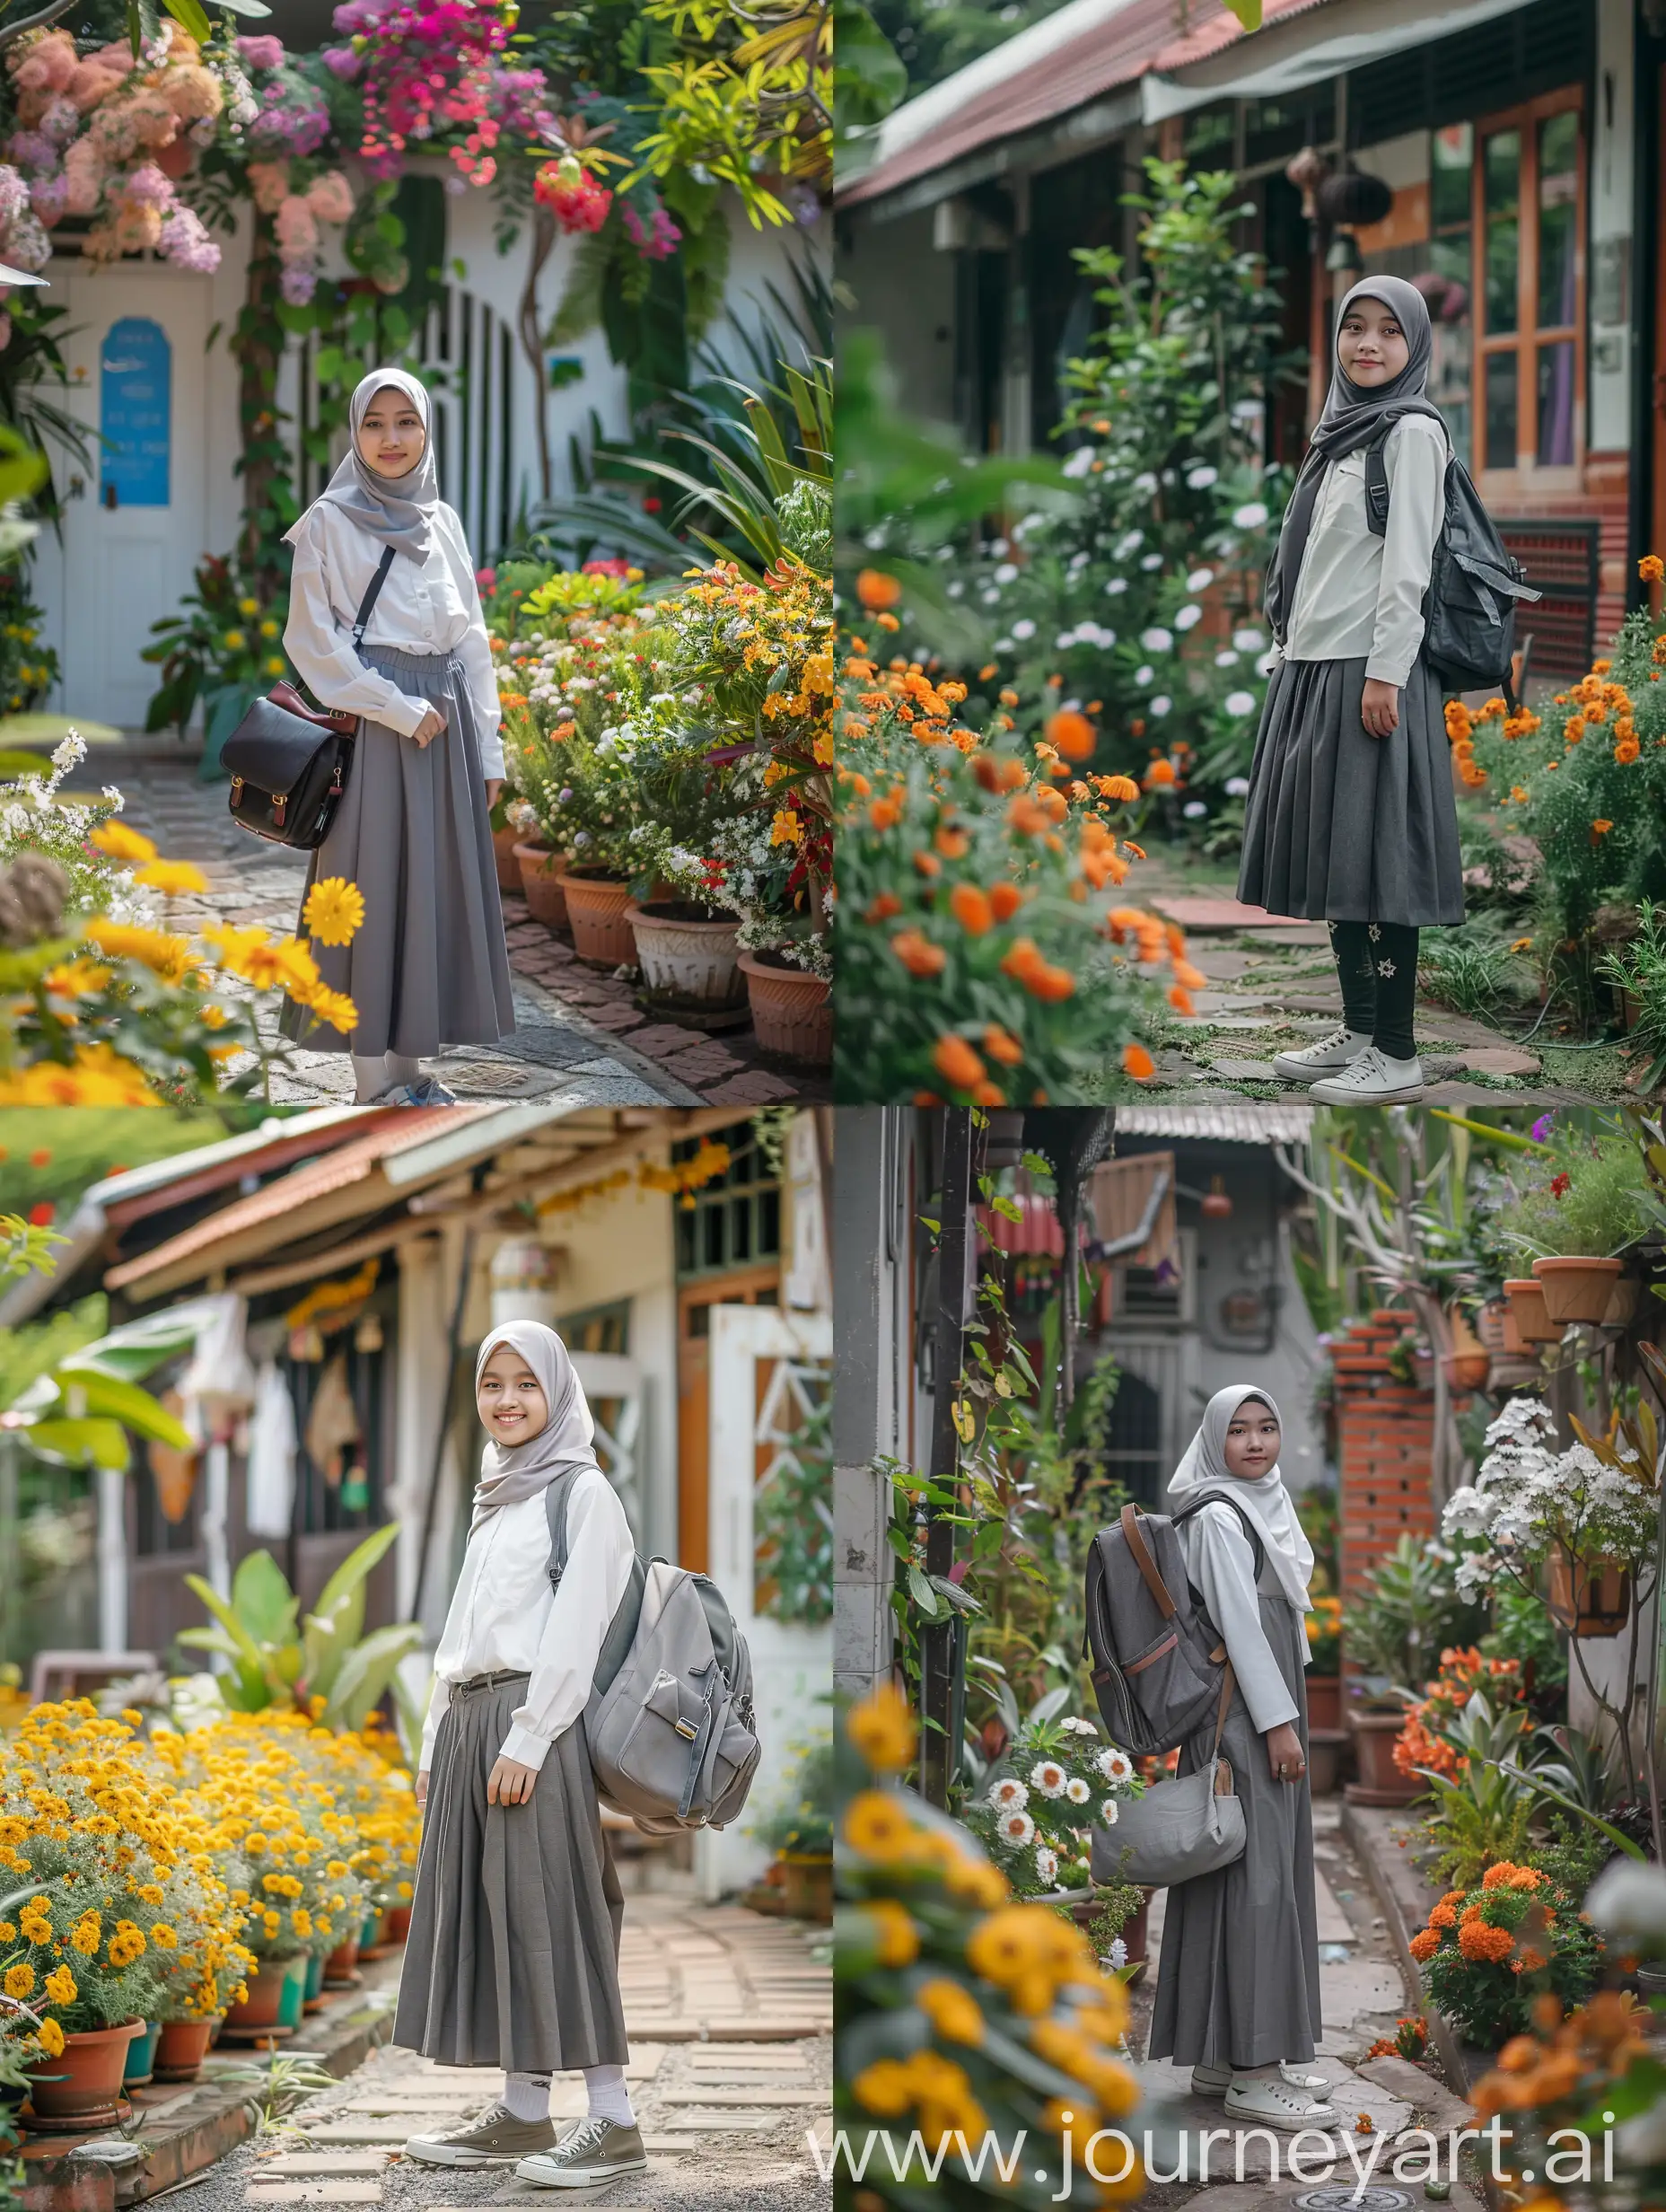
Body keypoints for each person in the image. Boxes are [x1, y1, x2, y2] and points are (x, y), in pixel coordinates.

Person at [395, 1321, 647, 2188]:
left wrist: (532, 1736)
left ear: (559, 1392)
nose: (507, 1401)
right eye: (492, 1384)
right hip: (474, 1725)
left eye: (525, 1384)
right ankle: (525, 2115)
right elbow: (461, 1635)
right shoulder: (497, 1495)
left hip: (530, 1725)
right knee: (503, 1921)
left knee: (561, 1912)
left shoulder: (583, 1495)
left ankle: (612, 2120)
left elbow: (577, 1630)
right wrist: (436, 1740)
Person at [1238, 276, 1460, 1107]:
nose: (1368, 345)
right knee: (1344, 862)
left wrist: (1385, 674)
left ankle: (1398, 1052)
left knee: (1383, 865)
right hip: (1315, 666)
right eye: (1354, 328)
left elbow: (1409, 566)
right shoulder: (1340, 433)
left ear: (1415, 346)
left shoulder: (1409, 433)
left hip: (1371, 674)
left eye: (1387, 333)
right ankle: (1361, 1032)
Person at [279, 367, 516, 1106]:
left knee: (432, 888)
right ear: (354, 432)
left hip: (444, 729)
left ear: (425, 431)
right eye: (375, 423)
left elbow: (471, 641)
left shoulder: (442, 520)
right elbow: (313, 644)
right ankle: (371, 1080)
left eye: (405, 421)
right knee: (367, 885)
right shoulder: (327, 522)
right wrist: (395, 708)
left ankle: (413, 1070)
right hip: (379, 730)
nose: (390, 438)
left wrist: (490, 746)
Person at [1145, 1385, 1331, 2129]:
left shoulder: (1258, 1505)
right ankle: (1255, 2074)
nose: (1255, 1443)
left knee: (1240, 1872)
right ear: (1215, 1440)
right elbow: (1242, 1630)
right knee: (1258, 1880)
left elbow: (1278, 1618)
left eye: (1267, 1427)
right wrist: (1279, 1723)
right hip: (1248, 1715)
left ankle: (1223, 2058)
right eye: (1239, 1431)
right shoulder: (1221, 1515)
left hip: (1260, 1706)